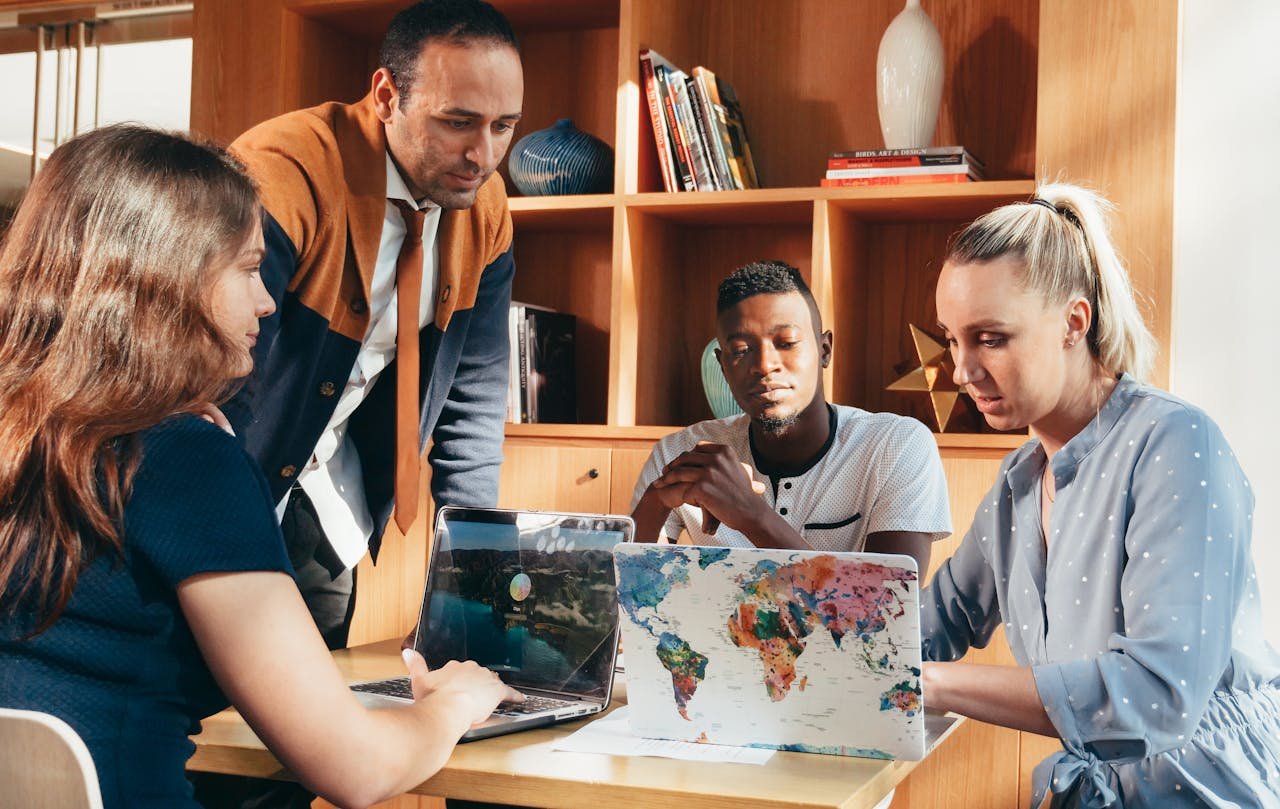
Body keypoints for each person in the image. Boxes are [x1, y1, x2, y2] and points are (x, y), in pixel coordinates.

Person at [0, 125, 520, 809]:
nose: (269, 300)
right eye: (248, 269)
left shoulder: (35, 440)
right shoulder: (181, 460)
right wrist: (453, 703)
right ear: (167, 278)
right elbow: (354, 768)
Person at [923, 183, 1280, 807]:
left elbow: (1155, 694)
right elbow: (928, 625)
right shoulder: (1017, 486)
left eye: (990, 338)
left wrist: (931, 684)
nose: (961, 370)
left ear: (1073, 323)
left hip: (1211, 789)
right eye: (952, 339)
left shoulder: (1176, 443)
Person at [224, 0, 523, 654]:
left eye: (504, 126)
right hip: (229, 490)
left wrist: (476, 579)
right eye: (458, 122)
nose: (483, 154)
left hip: (330, 507)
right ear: (387, 94)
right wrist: (217, 542)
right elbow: (221, 375)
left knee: (309, 728)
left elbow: (470, 407)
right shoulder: (284, 169)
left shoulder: (486, 211)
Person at [630, 260, 951, 573]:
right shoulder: (682, 453)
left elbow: (889, 608)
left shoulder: (896, 445)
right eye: (741, 350)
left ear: (824, 350)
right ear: (723, 365)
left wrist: (751, 515)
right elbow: (628, 597)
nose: (764, 365)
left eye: (786, 343)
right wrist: (655, 502)